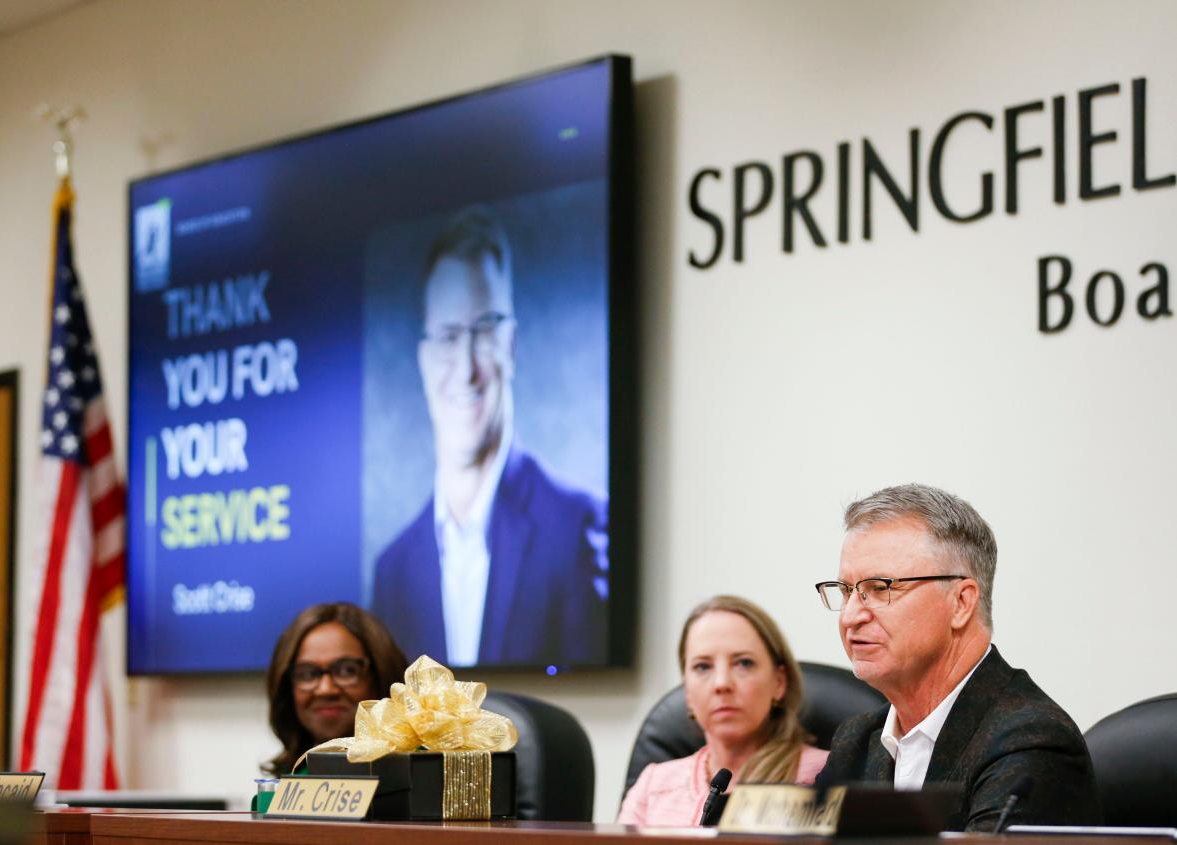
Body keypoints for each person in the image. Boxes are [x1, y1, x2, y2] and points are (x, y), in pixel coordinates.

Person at [371, 206, 608, 667]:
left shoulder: (578, 525)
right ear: (423, 357)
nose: (465, 368)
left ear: (511, 345)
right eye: (447, 335)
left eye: (483, 331)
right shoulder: (392, 570)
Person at [814, 484, 1100, 831]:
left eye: (880, 588)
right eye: (847, 592)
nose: (850, 617)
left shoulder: (1031, 743)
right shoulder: (856, 741)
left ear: (961, 603)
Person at [619, 596, 828, 826]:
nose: (721, 683)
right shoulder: (653, 786)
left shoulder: (825, 775)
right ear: (687, 691)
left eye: (743, 663)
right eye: (703, 667)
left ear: (778, 682)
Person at [263, 602, 408, 776]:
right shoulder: (284, 786)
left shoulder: (415, 777)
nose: (326, 689)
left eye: (347, 670)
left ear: (382, 674)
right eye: (307, 673)